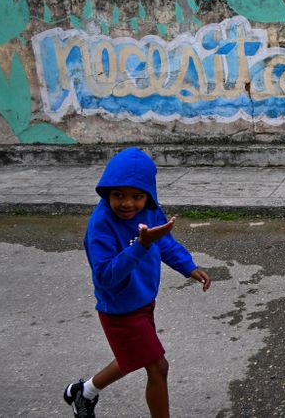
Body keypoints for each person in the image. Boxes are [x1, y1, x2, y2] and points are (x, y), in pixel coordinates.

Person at [63, 147, 211, 418]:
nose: (127, 204)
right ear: (106, 191)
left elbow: (164, 241)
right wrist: (140, 246)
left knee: (132, 358)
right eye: (118, 195)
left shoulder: (150, 211)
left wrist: (188, 266)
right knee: (158, 366)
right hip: (119, 309)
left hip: (143, 301)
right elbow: (106, 276)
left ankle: (83, 392)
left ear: (148, 195)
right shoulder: (101, 225)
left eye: (137, 196)